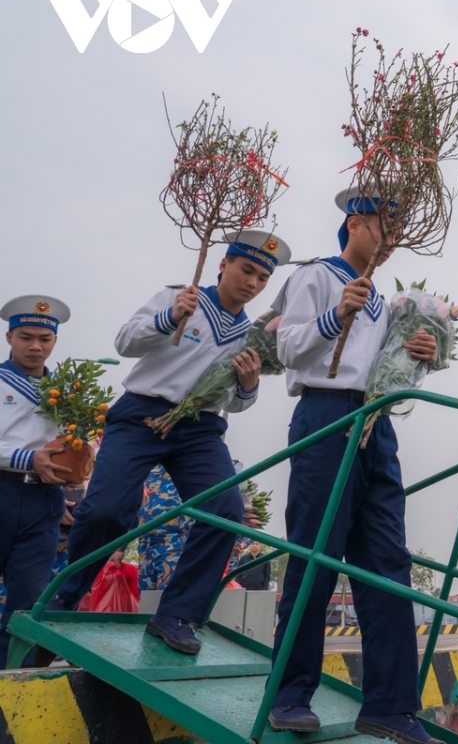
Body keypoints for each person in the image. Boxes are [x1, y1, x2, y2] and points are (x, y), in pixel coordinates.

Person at [48, 232, 287, 658]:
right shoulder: (179, 297)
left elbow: (234, 400)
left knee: (225, 512)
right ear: (224, 264)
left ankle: (176, 614)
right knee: (107, 511)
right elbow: (125, 342)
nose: (252, 282)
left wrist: (249, 386)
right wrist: (169, 318)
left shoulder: (251, 335)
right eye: (246, 269)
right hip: (141, 414)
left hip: (199, 429)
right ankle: (65, 597)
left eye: (262, 277)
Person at [266, 187, 441, 744]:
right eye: (385, 226)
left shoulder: (385, 302)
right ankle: (289, 694)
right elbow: (287, 349)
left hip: (375, 424)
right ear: (356, 221)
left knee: (388, 563)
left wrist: (419, 358)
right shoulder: (317, 276)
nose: (390, 241)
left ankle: (390, 704)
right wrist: (333, 314)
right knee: (314, 556)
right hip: (324, 417)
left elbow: (384, 369)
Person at [0, 295, 71, 669]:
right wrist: (28, 457)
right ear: (9, 337)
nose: (35, 346)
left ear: (54, 341)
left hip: (45, 500)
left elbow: (75, 443)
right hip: (3, 488)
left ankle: (12, 695)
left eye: (44, 339)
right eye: (26, 336)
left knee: (27, 603)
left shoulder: (71, 392)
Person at [137, 466, 193, 591]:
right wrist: (120, 549)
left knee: (169, 594)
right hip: (145, 543)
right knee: (146, 600)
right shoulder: (146, 471)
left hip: (175, 542)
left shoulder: (188, 467)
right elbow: (134, 507)